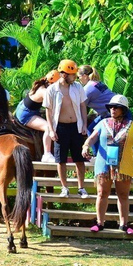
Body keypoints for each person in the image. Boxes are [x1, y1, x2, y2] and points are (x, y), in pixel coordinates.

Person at [82, 95, 133, 235]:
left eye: (116, 107)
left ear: (123, 109)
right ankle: (99, 223)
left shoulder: (132, 125)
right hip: (104, 164)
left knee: (123, 194)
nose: (113, 110)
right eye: (111, 107)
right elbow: (92, 138)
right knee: (102, 193)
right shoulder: (103, 123)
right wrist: (86, 146)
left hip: (124, 165)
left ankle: (124, 224)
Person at [44, 59, 89, 198]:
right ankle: (65, 187)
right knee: (60, 159)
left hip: (76, 126)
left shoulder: (77, 87)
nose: (75, 77)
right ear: (64, 74)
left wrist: (84, 125)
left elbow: (82, 106)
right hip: (60, 127)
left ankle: (81, 188)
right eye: (72, 74)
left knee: (79, 159)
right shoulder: (52, 89)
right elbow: (48, 111)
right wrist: (51, 130)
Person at [15, 70, 61, 162]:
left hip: (27, 109)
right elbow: (53, 107)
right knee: (48, 127)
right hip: (26, 114)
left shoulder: (42, 86)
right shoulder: (44, 91)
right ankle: (47, 154)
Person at [78, 65, 115, 132]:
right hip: (114, 111)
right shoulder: (97, 83)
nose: (78, 79)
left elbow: (80, 107)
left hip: (111, 114)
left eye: (78, 77)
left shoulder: (87, 89)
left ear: (85, 76)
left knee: (90, 130)